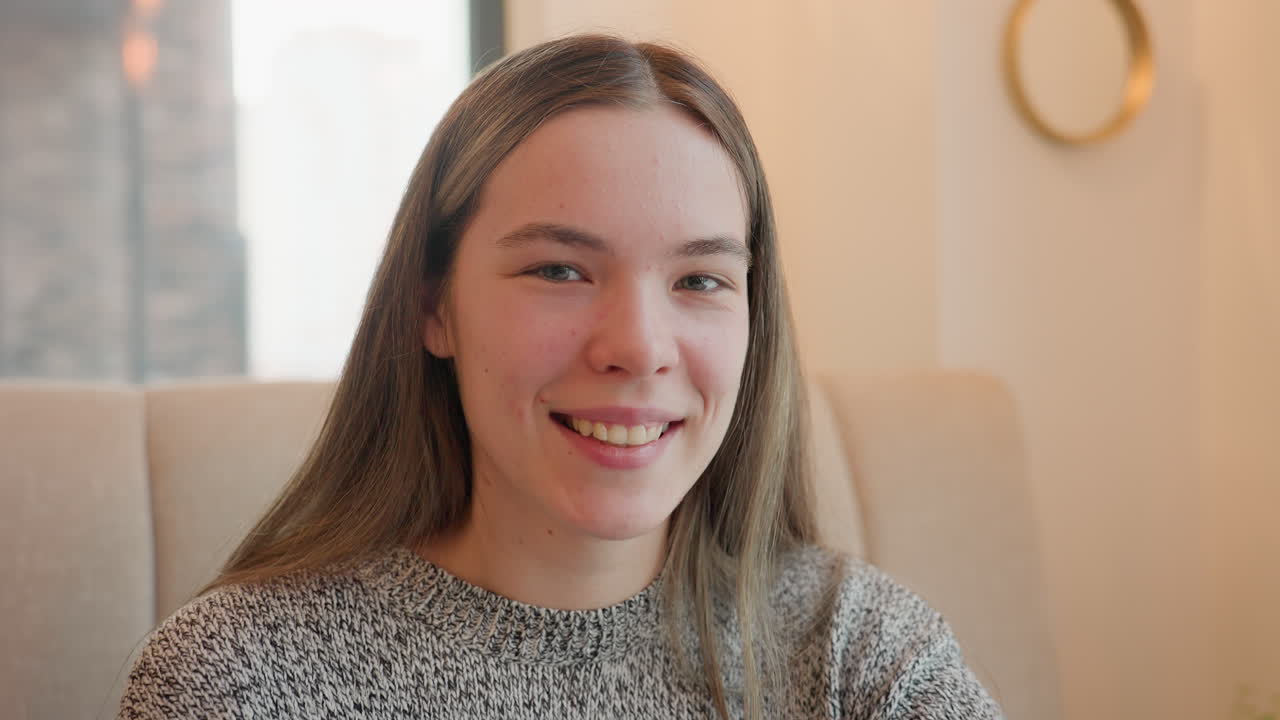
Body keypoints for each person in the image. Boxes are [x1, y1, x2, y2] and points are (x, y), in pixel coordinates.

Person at [117, 34, 1003, 719]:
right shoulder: (241, 682)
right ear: (433, 307)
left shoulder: (857, 652)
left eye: (700, 279)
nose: (639, 346)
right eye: (560, 270)